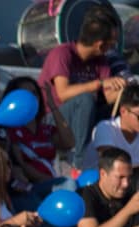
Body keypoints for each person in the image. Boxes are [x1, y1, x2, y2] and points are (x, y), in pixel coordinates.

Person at [39, 13, 122, 168]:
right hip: (54, 119)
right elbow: (63, 94)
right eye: (112, 43)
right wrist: (98, 83)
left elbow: (108, 96)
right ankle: (79, 162)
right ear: (100, 45)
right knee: (86, 99)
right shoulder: (62, 54)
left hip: (85, 116)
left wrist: (124, 92)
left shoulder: (101, 61)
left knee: (126, 105)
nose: (113, 48)